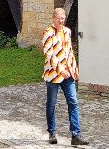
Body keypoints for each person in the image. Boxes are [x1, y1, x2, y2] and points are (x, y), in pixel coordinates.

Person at [42, 8, 88, 146]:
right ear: (53, 18)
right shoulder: (48, 33)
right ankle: (52, 132)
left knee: (73, 102)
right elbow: (49, 54)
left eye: (63, 18)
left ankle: (76, 135)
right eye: (58, 18)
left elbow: (70, 52)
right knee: (51, 104)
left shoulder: (67, 31)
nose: (61, 21)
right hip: (53, 75)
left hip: (68, 75)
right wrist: (61, 70)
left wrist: (74, 70)